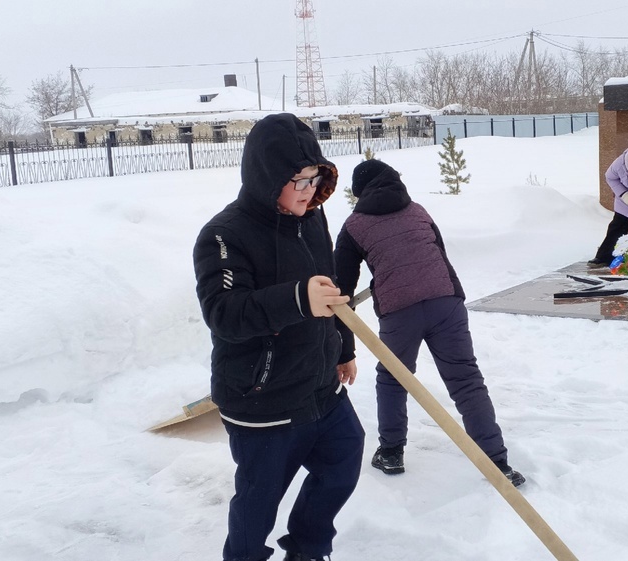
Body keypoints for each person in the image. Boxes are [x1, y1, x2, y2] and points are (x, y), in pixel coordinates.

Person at [192, 113, 364, 561]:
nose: (309, 190)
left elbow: (330, 291)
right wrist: (296, 299)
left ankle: (307, 550)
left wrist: (342, 348)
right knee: (258, 501)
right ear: (268, 178)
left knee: (342, 461)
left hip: (320, 385)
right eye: (298, 180)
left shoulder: (311, 220)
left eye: (315, 178)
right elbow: (224, 314)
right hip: (262, 398)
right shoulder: (223, 235)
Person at [333, 159, 525, 488]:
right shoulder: (418, 210)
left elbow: (341, 294)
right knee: (466, 380)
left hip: (399, 311)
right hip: (445, 301)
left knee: (394, 379)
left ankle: (391, 452)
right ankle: (497, 462)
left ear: (360, 193)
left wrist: (343, 349)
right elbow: (438, 255)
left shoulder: (353, 226)